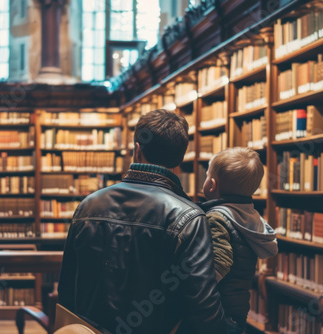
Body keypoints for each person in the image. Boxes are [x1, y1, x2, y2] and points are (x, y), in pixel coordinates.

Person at [58, 109, 227, 334]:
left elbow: (67, 290)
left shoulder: (88, 206)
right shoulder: (190, 219)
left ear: (137, 150)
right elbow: (204, 311)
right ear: (180, 158)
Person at [199, 147, 278, 334]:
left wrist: (195, 291)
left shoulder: (217, 218)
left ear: (211, 184)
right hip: (237, 312)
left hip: (215, 313)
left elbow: (220, 261)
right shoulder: (251, 217)